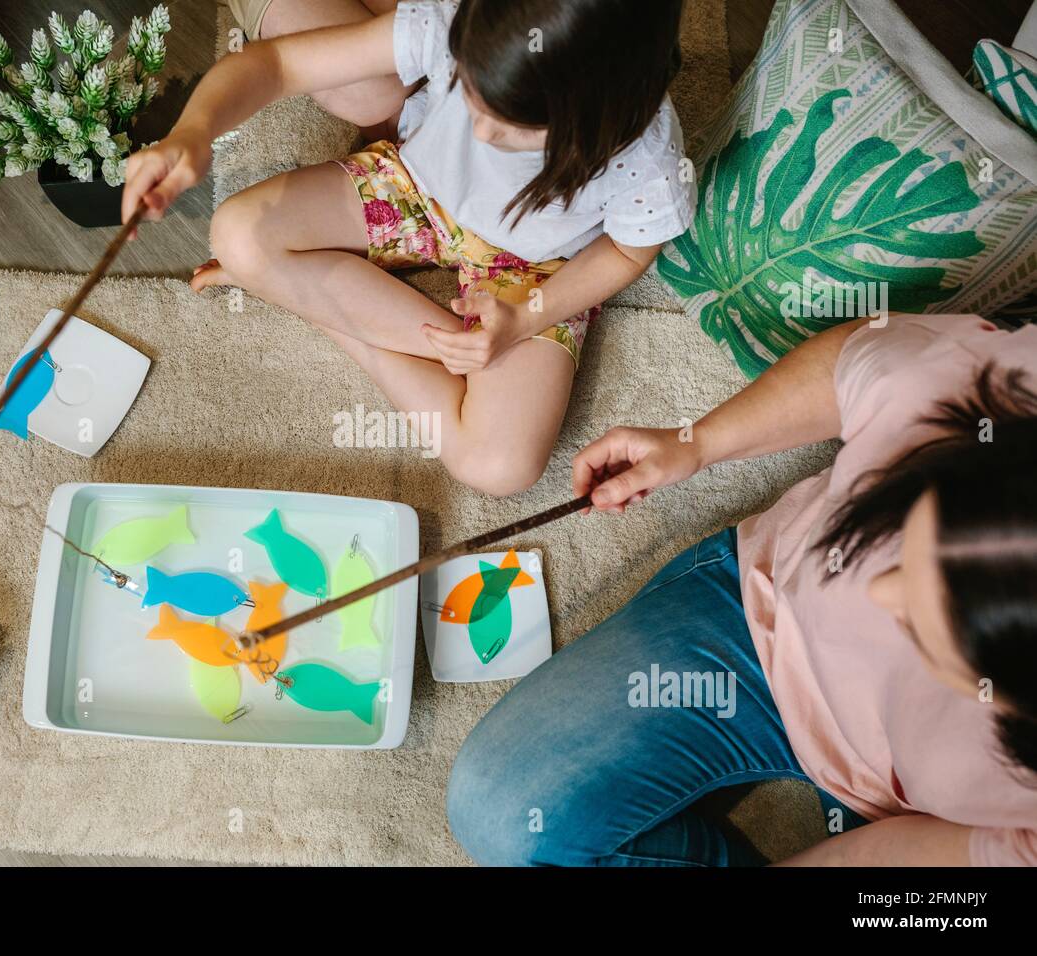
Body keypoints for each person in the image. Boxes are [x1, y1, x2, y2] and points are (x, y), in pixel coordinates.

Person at [447, 314, 1037, 865]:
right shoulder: (990, 387)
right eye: (904, 543)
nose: (880, 597)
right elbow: (857, 363)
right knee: (503, 815)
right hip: (761, 617)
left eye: (922, 627)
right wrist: (695, 442)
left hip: (918, 808)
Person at [122, 0, 696, 496]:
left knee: (500, 466)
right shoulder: (454, 21)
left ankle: (333, 315)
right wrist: (193, 131)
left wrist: (525, 319)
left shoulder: (647, 160)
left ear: (594, 120)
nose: (479, 133)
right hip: (417, 187)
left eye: (511, 128)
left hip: (535, 270)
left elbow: (626, 252)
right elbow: (276, 62)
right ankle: (368, 316)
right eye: (468, 92)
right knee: (239, 232)